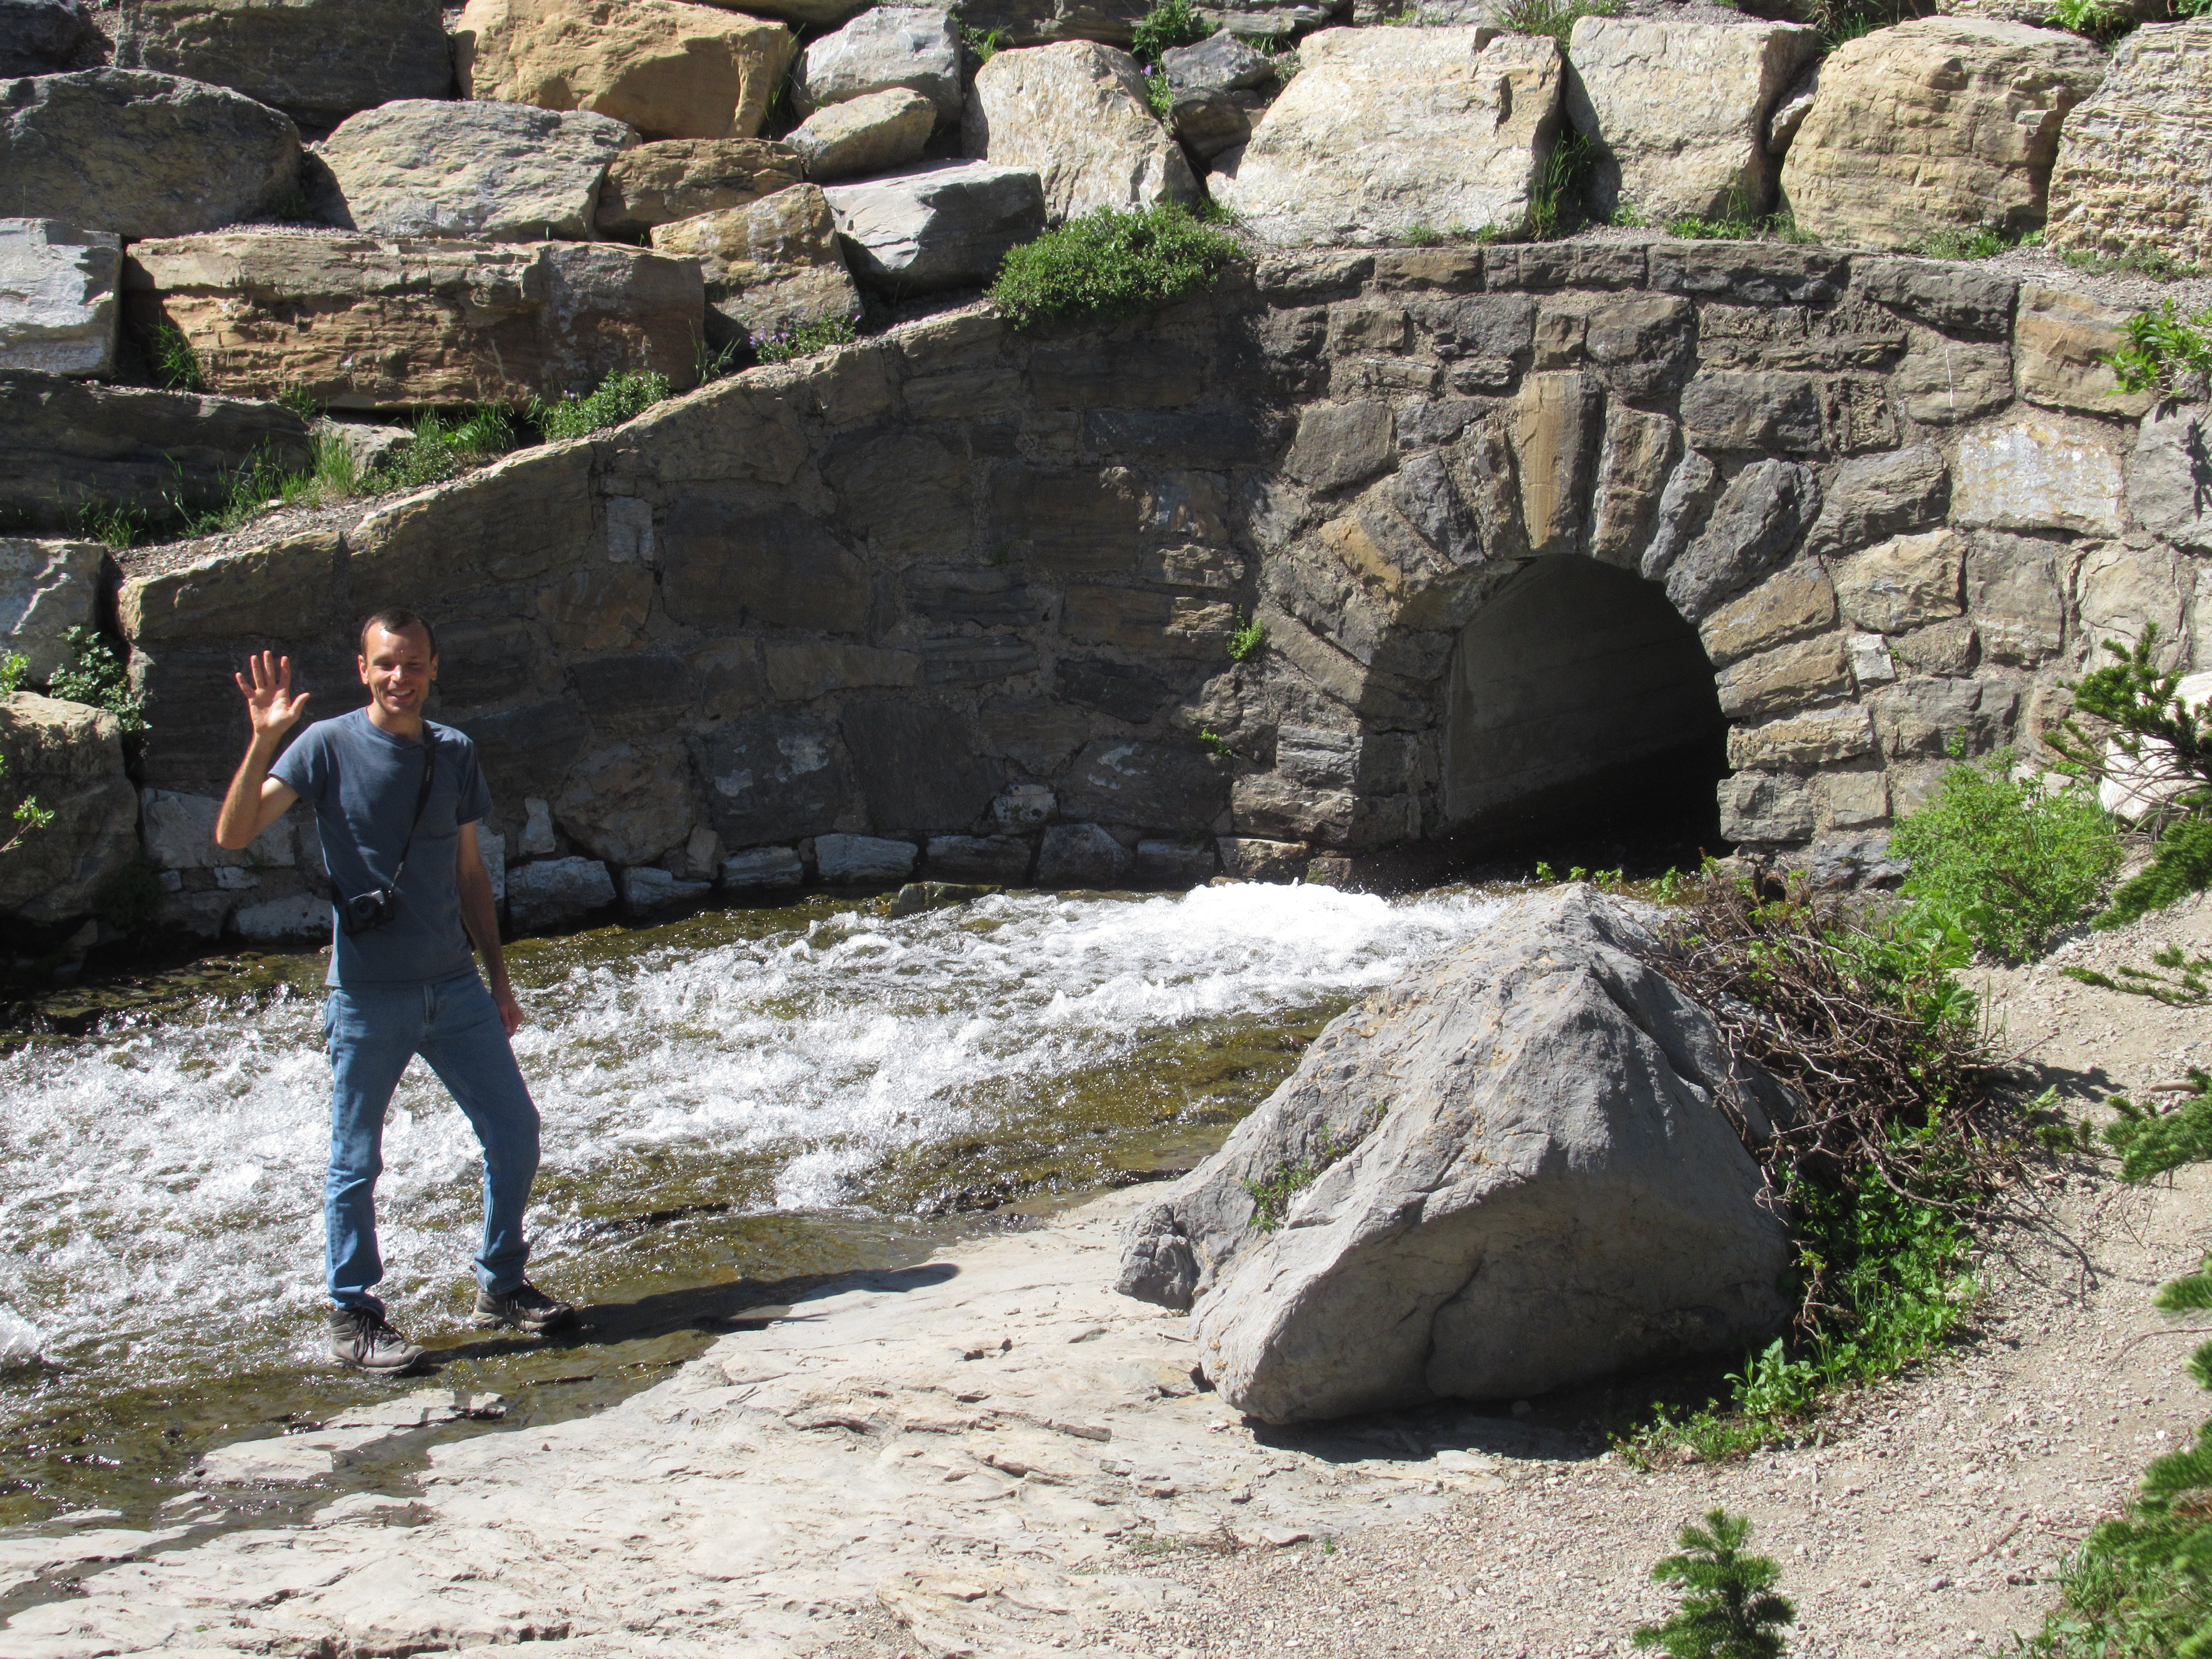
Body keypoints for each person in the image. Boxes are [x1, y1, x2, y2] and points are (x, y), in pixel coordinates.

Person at [214, 609, 573, 1375]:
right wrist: (264, 738)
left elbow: (470, 874)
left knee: (515, 1131)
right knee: (356, 1163)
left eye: (412, 663)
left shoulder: (455, 753)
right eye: (386, 664)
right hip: (367, 995)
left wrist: (499, 981)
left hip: (455, 987)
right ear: (363, 669)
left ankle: (501, 1284)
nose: (399, 678)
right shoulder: (325, 746)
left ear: (433, 668)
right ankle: (353, 1315)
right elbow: (235, 835)